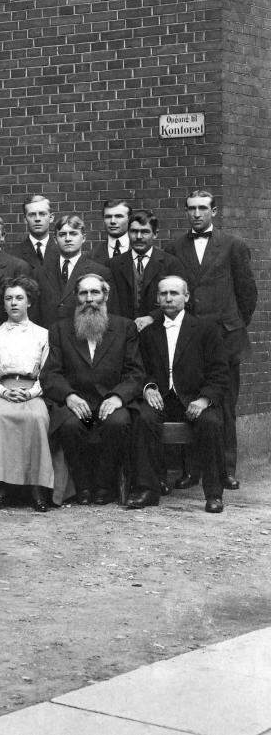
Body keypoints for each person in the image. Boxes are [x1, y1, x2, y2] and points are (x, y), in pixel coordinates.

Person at [166, 189, 256, 489]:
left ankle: (226, 469)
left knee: (224, 405)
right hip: (190, 340)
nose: (197, 214)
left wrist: (234, 325)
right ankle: (192, 470)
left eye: (203, 208)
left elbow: (247, 294)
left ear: (214, 211)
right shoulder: (176, 246)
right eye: (191, 208)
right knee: (190, 401)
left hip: (226, 338)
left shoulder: (233, 245)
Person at [128, 276, 229, 513]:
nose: (169, 298)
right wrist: (148, 388)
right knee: (142, 418)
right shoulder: (148, 333)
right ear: (157, 299)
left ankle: (214, 493)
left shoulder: (206, 329)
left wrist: (204, 399)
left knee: (211, 422)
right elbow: (139, 369)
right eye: (163, 294)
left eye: (174, 293)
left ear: (186, 297)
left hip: (195, 398)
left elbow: (220, 372)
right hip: (162, 398)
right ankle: (148, 489)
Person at [41, 273, 143, 506]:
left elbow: (135, 372)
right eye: (83, 293)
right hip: (80, 406)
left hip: (109, 405)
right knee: (70, 425)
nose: (89, 298)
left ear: (105, 295)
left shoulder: (124, 327)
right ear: (76, 297)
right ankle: (83, 485)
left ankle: (104, 485)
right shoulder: (60, 329)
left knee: (116, 424)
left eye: (95, 292)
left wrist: (118, 397)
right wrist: (69, 396)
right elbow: (51, 373)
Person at [0, 276, 56, 511]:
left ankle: (37, 487)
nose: (14, 303)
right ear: (3, 303)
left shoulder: (43, 335)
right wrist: (4, 392)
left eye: (19, 298)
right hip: (3, 392)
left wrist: (32, 393)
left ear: (29, 302)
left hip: (33, 391)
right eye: (9, 298)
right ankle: (1, 486)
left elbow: (48, 373)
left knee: (36, 418)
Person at [107, 209, 185, 324]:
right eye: (134, 231)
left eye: (145, 232)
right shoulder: (113, 264)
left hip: (158, 328)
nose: (138, 236)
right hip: (124, 331)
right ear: (128, 233)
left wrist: (153, 317)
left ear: (155, 234)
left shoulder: (170, 263)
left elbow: (180, 301)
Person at [32, 214, 110, 328]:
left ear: (83, 238)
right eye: (62, 234)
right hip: (49, 335)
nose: (68, 239)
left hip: (83, 335)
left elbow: (108, 312)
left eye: (73, 234)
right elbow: (34, 312)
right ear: (55, 240)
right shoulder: (40, 272)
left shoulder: (100, 271)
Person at [10, 194, 59, 271]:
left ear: (51, 217)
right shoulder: (13, 254)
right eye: (32, 215)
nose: (37, 219)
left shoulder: (62, 252)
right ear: (25, 219)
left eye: (42, 214)